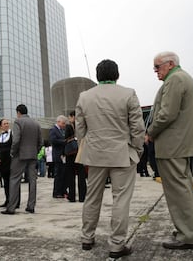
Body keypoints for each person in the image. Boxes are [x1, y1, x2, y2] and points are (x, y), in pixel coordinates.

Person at [76, 59, 145, 259]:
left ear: (97, 76)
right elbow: (137, 127)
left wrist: (87, 147)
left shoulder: (84, 96)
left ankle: (87, 238)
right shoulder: (128, 93)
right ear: (117, 75)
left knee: (92, 197)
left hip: (95, 154)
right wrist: (137, 148)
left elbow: (80, 129)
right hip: (122, 154)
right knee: (121, 199)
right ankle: (116, 244)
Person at [147, 51, 193, 250]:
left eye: (157, 67)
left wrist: (150, 132)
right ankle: (189, 231)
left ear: (170, 64)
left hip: (172, 145)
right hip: (178, 145)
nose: (155, 71)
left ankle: (187, 235)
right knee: (183, 190)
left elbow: (166, 114)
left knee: (178, 192)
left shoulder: (175, 79)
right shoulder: (181, 77)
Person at [1, 104, 42, 215]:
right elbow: (40, 141)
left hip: (20, 155)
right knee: (32, 181)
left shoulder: (18, 122)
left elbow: (16, 140)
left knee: (14, 180)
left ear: (18, 112)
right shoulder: (36, 124)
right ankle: (31, 206)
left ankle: (11, 207)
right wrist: (36, 151)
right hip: (32, 155)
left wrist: (13, 152)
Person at [64, 111, 86, 202]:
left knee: (71, 175)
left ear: (73, 116)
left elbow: (65, 138)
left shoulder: (69, 126)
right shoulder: (82, 126)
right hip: (80, 152)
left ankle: (72, 196)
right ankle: (82, 196)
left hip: (70, 153)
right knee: (81, 175)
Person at [50, 115, 67, 198]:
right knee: (58, 174)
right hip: (57, 154)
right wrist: (64, 141)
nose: (64, 125)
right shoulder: (53, 130)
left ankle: (61, 190)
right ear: (58, 122)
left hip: (62, 155)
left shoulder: (61, 130)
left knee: (62, 173)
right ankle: (56, 192)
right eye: (63, 123)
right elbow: (53, 140)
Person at [0, 118, 13, 207]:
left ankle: (15, 201)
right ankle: (7, 200)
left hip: (10, 161)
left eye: (7, 123)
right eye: (4, 124)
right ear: (0, 126)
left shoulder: (12, 134)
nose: (6, 125)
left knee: (13, 182)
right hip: (2, 162)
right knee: (5, 182)